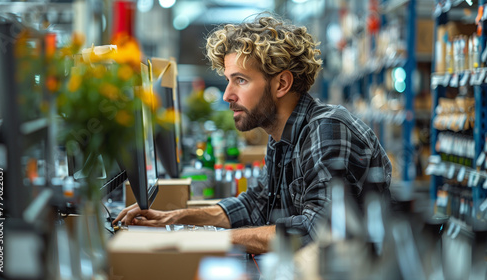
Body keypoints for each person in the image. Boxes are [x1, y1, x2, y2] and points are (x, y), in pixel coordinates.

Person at [114, 14, 392, 254]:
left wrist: (204, 238)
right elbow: (255, 204)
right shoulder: (281, 136)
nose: (227, 95)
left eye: (241, 80)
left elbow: (317, 230)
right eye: (228, 80)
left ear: (281, 83)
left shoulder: (328, 128)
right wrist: (173, 218)